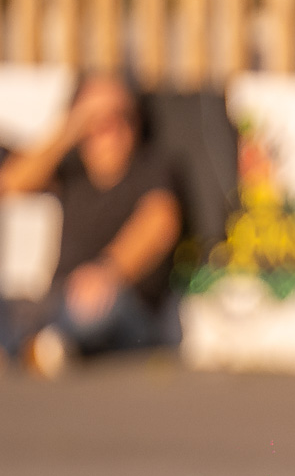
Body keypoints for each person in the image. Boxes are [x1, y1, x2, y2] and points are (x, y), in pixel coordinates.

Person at [0, 70, 182, 373]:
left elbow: (160, 223)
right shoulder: (72, 168)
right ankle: (42, 345)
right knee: (22, 307)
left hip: (124, 303)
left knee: (96, 310)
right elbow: (12, 183)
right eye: (99, 120)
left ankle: (39, 346)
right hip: (60, 299)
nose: (113, 128)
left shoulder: (151, 166)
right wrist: (71, 127)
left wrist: (108, 272)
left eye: (123, 116)